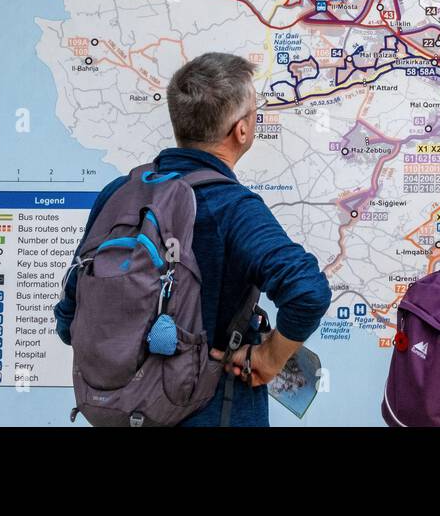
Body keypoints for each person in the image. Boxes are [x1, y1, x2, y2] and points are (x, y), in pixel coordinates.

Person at [54, 52, 331, 426]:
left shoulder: (119, 193)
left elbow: (69, 313)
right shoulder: (233, 206)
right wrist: (268, 358)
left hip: (122, 410)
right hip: (214, 409)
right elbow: (308, 291)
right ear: (241, 130)